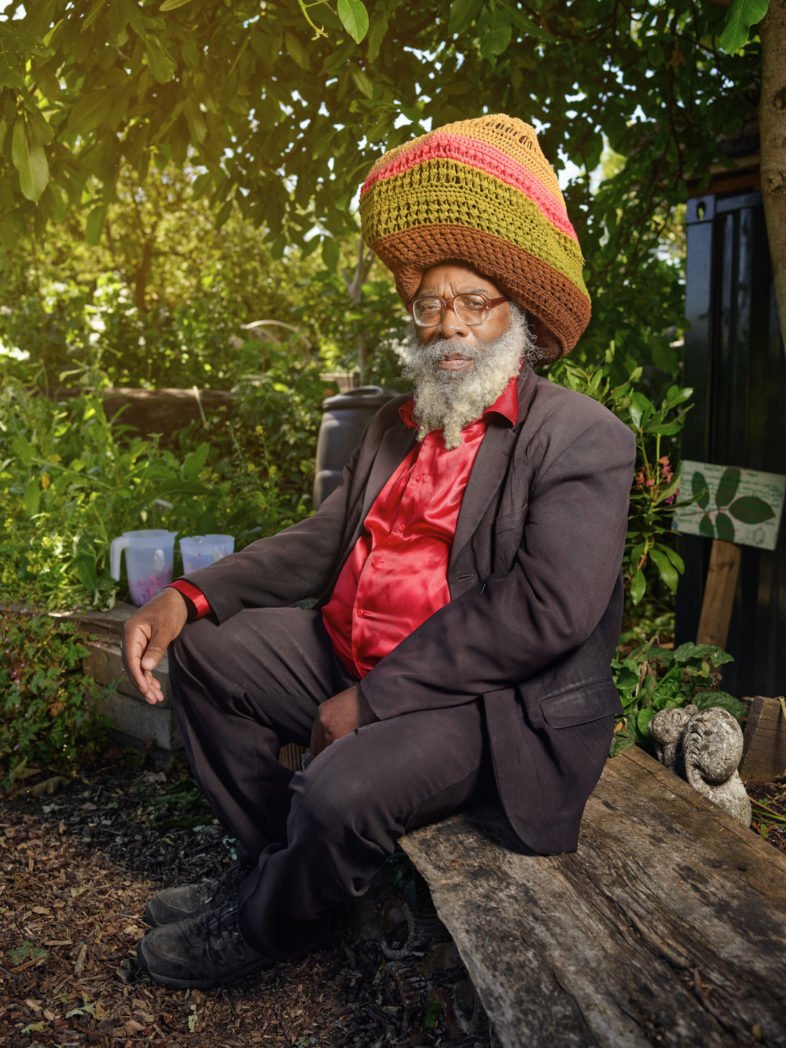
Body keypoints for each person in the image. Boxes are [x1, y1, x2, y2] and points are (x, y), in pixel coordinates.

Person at [125, 114, 636, 990]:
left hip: (484, 703)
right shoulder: (395, 427)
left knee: (338, 792)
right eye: (431, 303)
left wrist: (373, 700)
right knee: (207, 658)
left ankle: (265, 928)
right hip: (352, 652)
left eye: (473, 302)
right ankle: (273, 871)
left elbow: (545, 611)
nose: (449, 326)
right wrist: (188, 595)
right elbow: (328, 538)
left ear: (517, 317)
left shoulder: (583, 438)